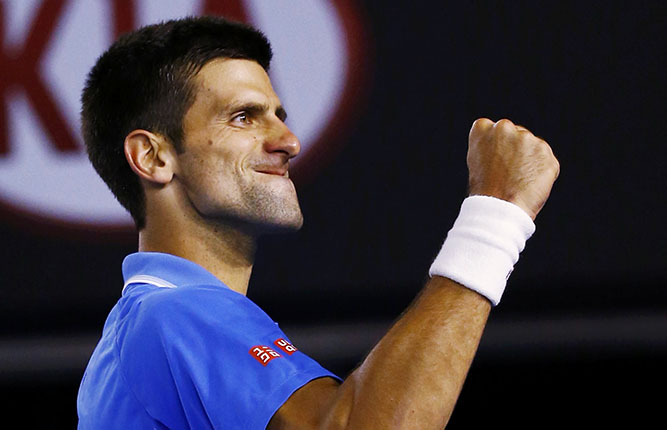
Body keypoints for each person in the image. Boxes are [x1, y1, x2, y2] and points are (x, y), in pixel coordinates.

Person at [77, 16, 559, 429]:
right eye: (243, 117)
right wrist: (495, 212)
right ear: (153, 157)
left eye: (278, 115)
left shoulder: (148, 324)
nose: (289, 141)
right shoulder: (176, 312)